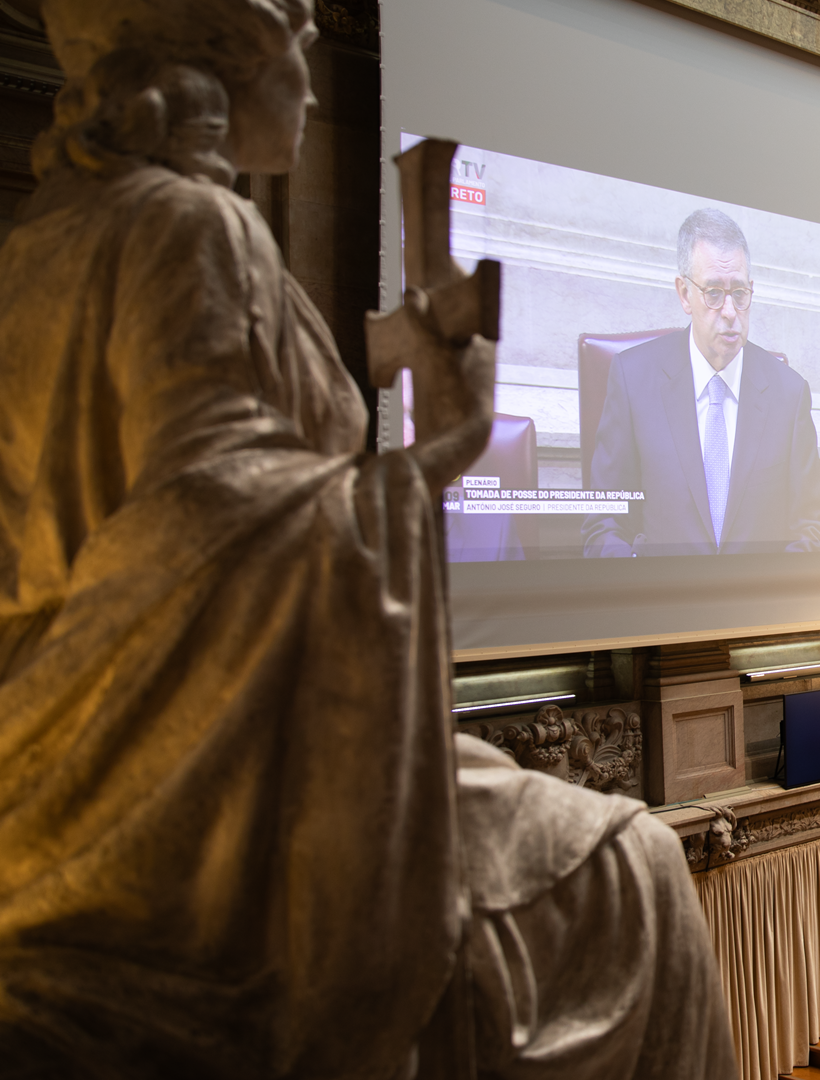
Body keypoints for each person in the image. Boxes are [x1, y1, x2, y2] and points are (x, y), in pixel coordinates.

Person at [0, 8, 743, 1077]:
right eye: (295, 48)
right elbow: (211, 524)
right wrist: (432, 459)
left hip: (134, 715)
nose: (307, 90)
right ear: (221, 58)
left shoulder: (52, 232)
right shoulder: (187, 228)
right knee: (641, 870)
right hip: (195, 740)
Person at [584, 207, 820, 557]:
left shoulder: (789, 394)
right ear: (684, 294)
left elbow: (811, 525)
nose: (730, 311)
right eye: (713, 292)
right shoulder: (633, 380)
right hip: (661, 604)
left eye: (739, 293)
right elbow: (603, 523)